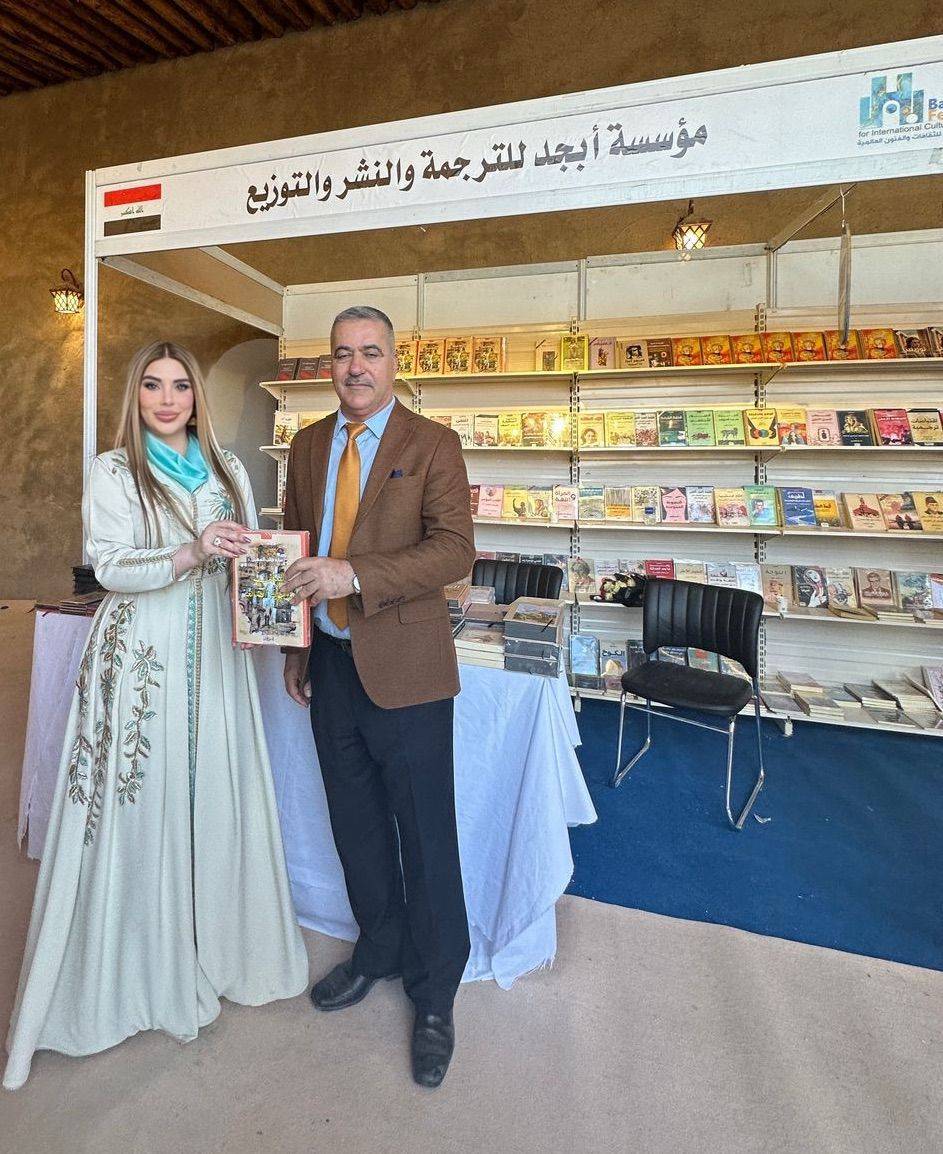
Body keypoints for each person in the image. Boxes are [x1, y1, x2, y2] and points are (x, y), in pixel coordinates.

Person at [3, 342, 309, 1092]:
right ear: (134, 395)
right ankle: (139, 969)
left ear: (197, 395)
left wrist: (262, 581)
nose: (168, 399)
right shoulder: (114, 470)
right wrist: (190, 553)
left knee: (212, 786)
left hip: (217, 652)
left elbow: (246, 556)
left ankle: (216, 948)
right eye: (152, 385)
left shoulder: (229, 468)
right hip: (144, 650)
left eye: (180, 386)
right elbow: (108, 565)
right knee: (145, 797)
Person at [280, 306, 475, 1089]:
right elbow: (296, 552)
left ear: (395, 361)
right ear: (328, 365)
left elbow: (454, 551)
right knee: (355, 825)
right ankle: (380, 947)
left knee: (424, 835)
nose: (355, 367)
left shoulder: (433, 444)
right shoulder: (306, 445)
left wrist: (353, 575)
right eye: (341, 354)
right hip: (329, 666)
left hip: (408, 670)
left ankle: (434, 996)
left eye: (370, 352)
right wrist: (296, 646)